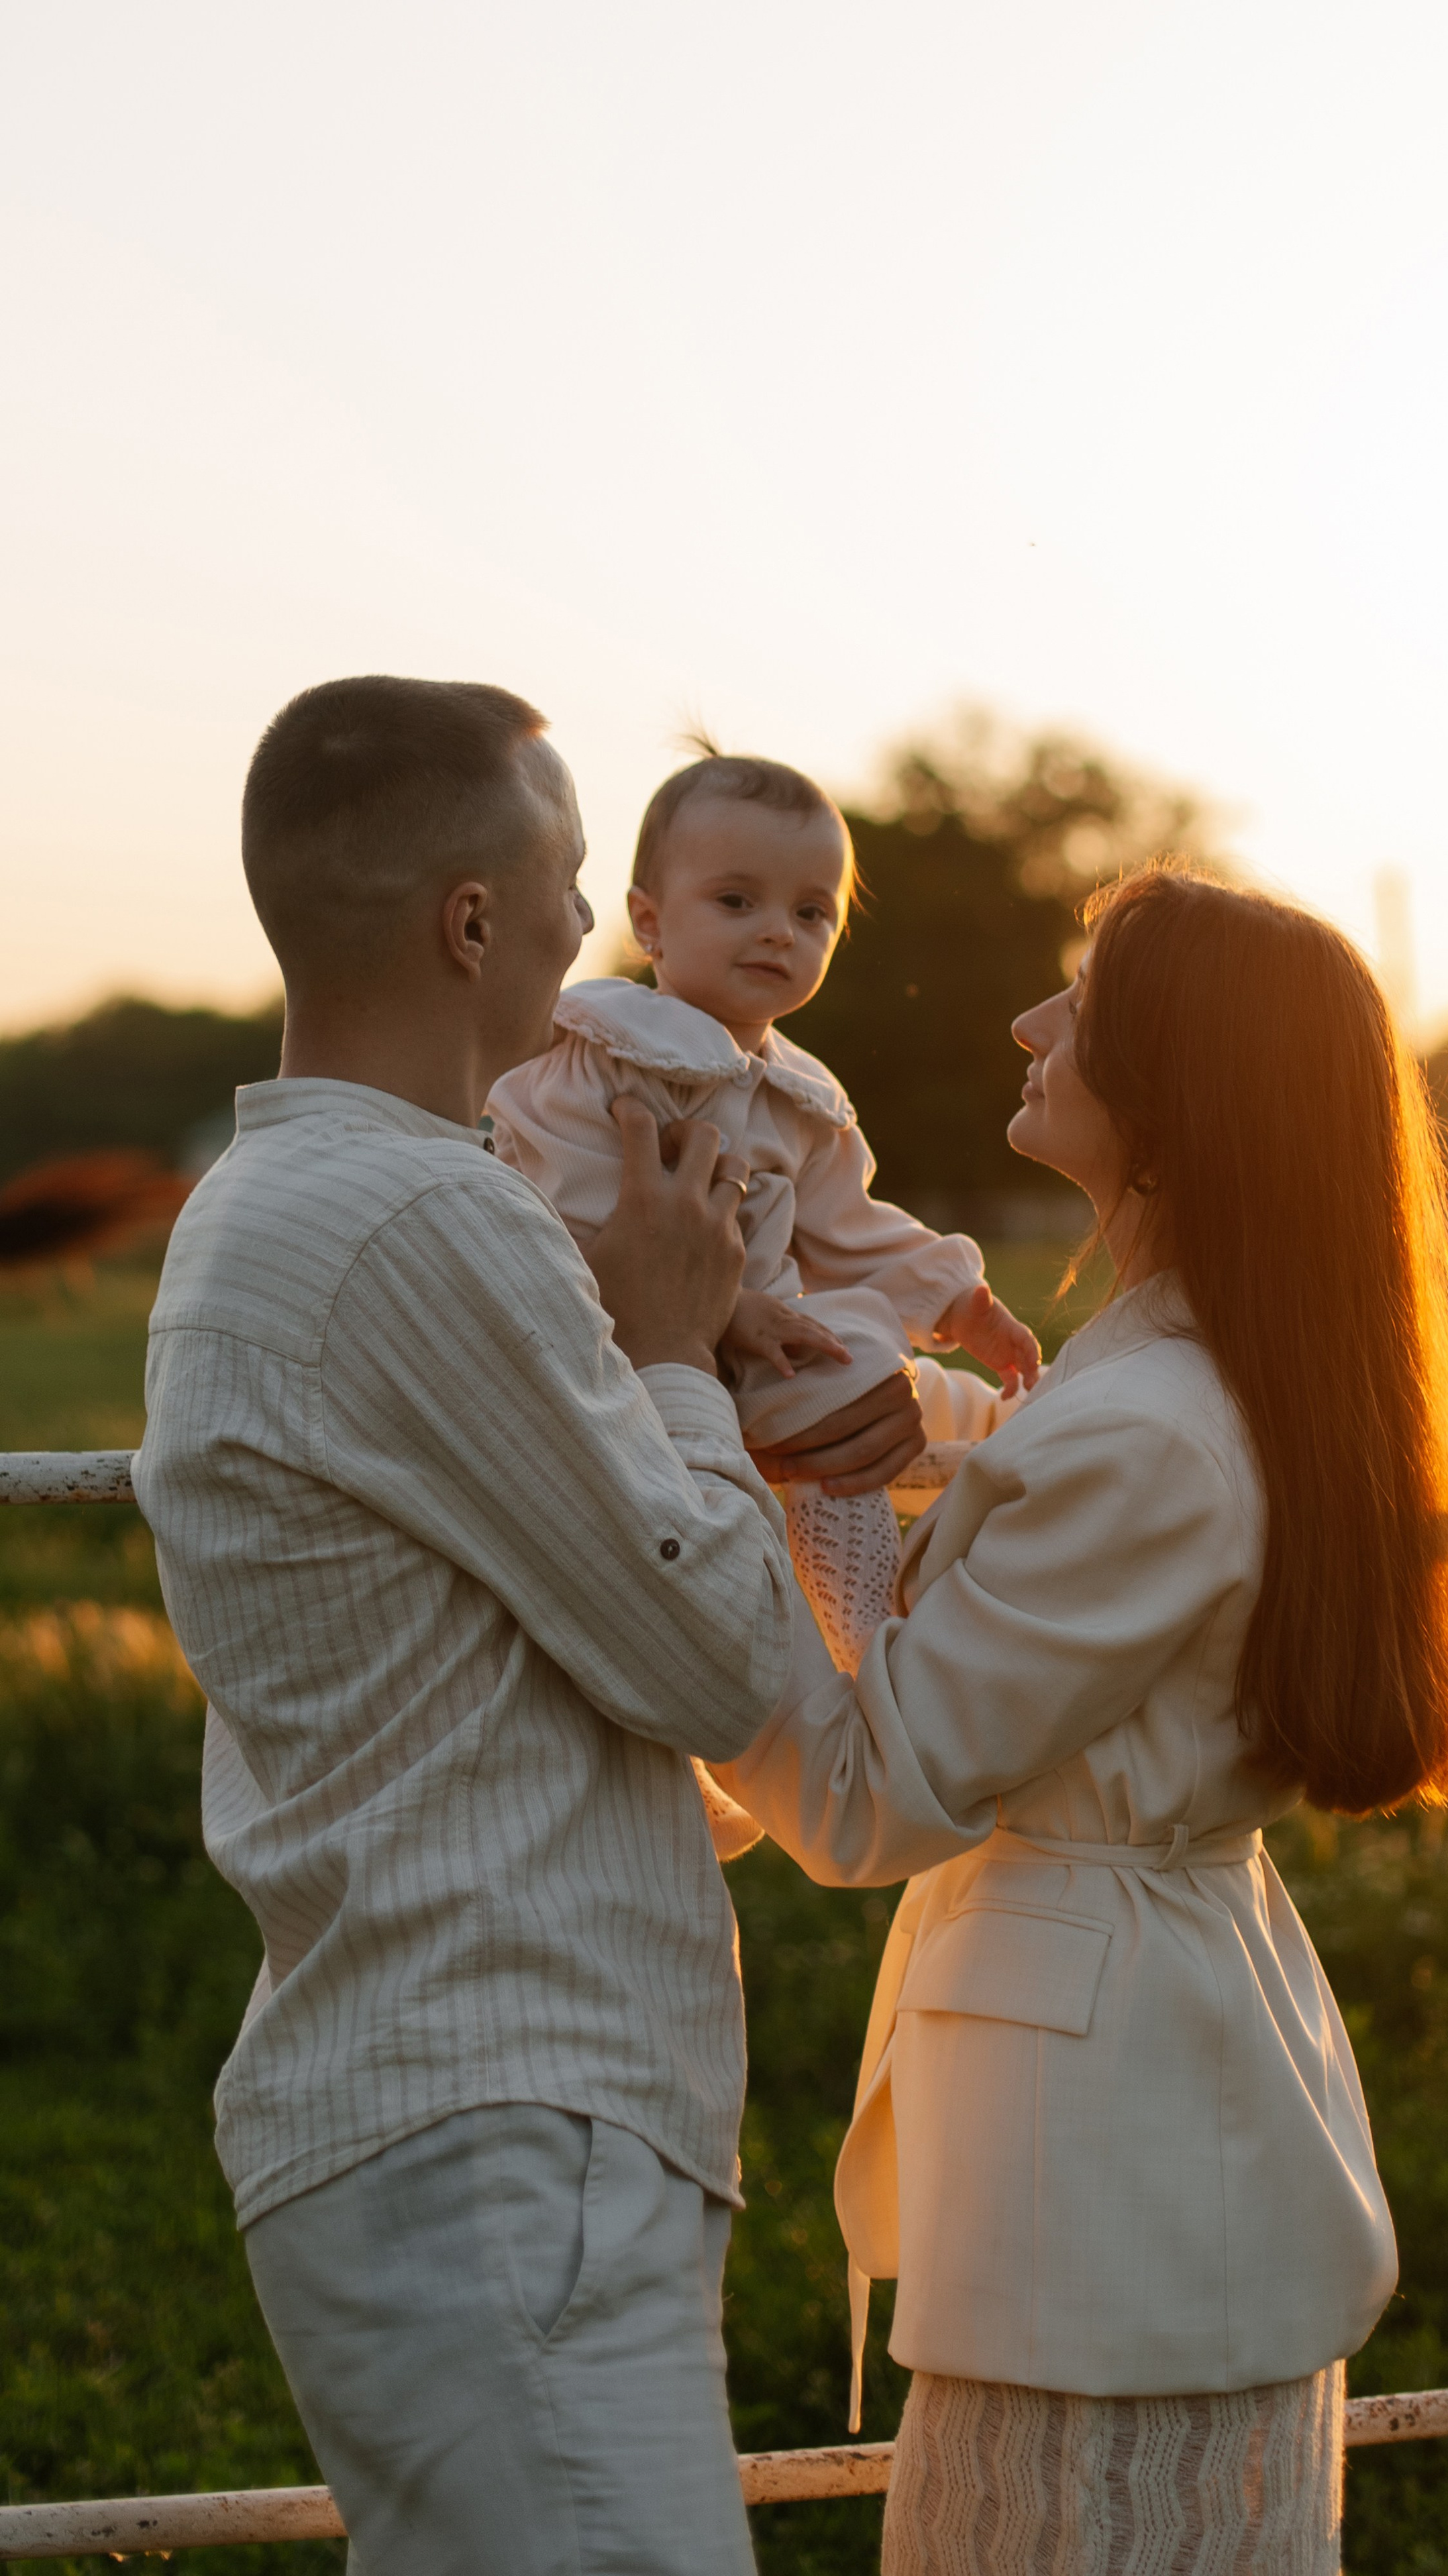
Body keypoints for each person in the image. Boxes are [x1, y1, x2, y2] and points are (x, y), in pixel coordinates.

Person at [132, 675, 922, 2576]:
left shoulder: (278, 1203)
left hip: (460, 2107)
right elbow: (714, 1663)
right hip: (502, 2109)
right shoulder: (429, 1223)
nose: (592, 926)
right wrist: (674, 1350)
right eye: (571, 877)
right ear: (472, 924)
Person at [715, 866, 1448, 2575]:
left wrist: (674, 1459)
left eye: (1076, 1001)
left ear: (1176, 1095)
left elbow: (868, 1801)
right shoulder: (1188, 1363)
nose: (1027, 1024)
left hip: (1101, 2176)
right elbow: (1042, 1465)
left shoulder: (1156, 1424)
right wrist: (895, 1411)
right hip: (1139, 2112)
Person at [486, 745, 1040, 1671]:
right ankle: (725, 1667)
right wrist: (719, 1309)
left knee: (856, 1362)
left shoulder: (801, 1100)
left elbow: (852, 1229)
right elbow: (566, 1201)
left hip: (764, 1356)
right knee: (624, 1547)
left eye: (811, 912)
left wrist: (961, 1304)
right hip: (611, 1335)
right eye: (737, 902)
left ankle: (858, 1618)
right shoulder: (607, 1048)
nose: (779, 932)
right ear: (650, 924)